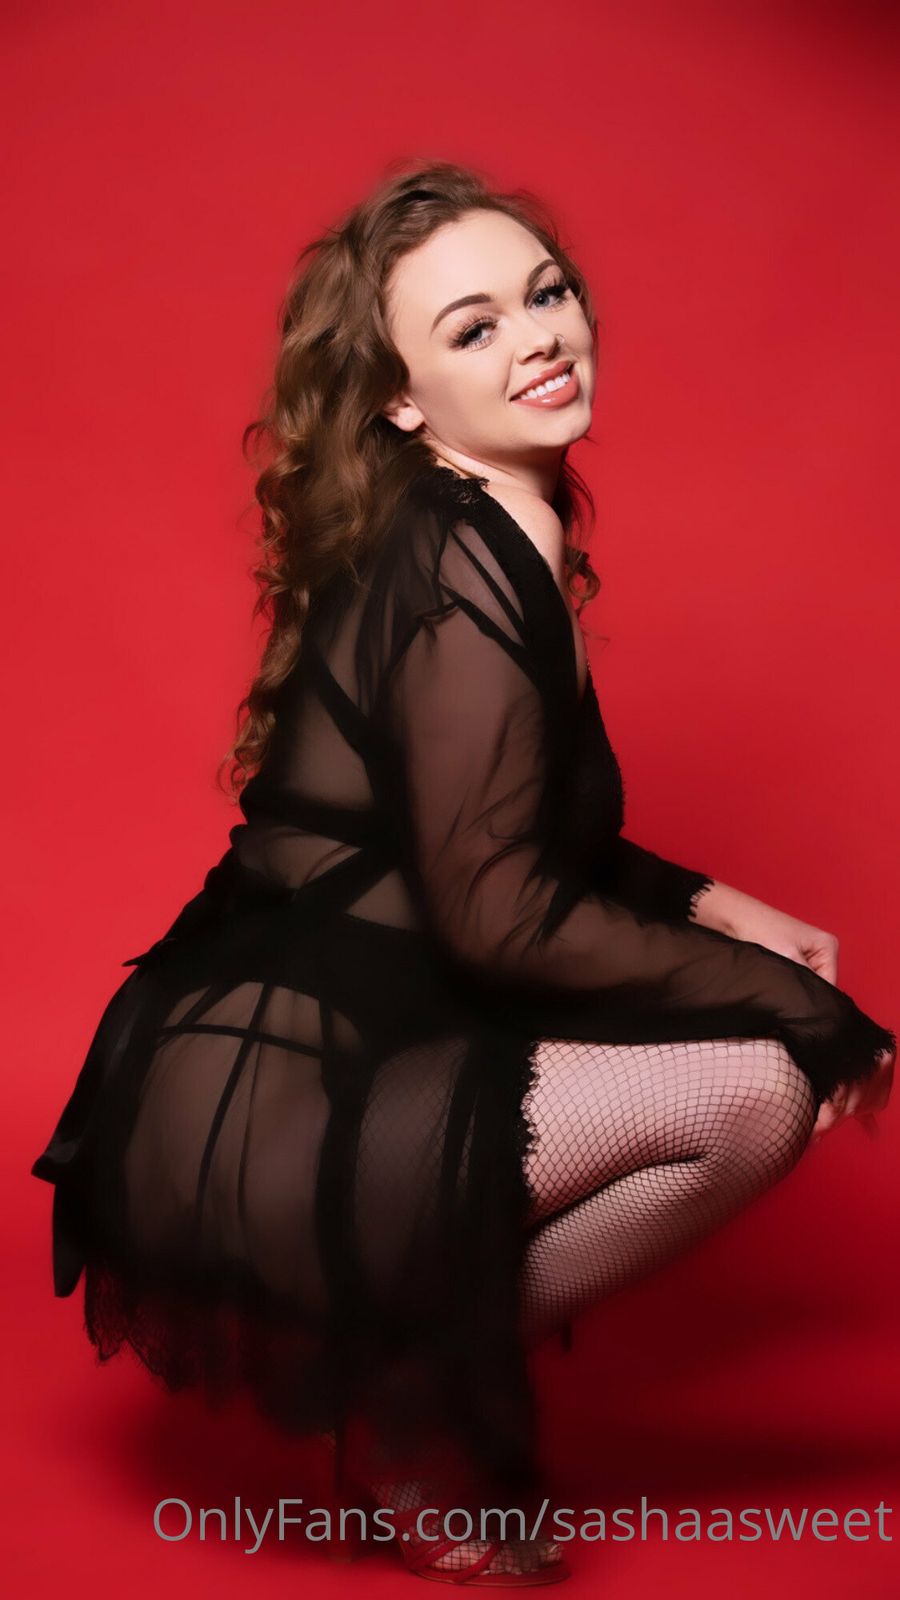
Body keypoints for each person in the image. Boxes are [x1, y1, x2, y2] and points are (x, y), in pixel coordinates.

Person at [30, 160, 895, 1588]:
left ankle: (403, 1371)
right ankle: (405, 1394)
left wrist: (710, 904)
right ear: (401, 399)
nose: (540, 338)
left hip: (353, 1025)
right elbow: (494, 912)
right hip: (289, 1081)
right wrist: (800, 1007)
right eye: (474, 327)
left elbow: (498, 826)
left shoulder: (493, 522)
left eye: (546, 295)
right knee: (756, 1085)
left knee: (755, 1047)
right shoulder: (454, 559)